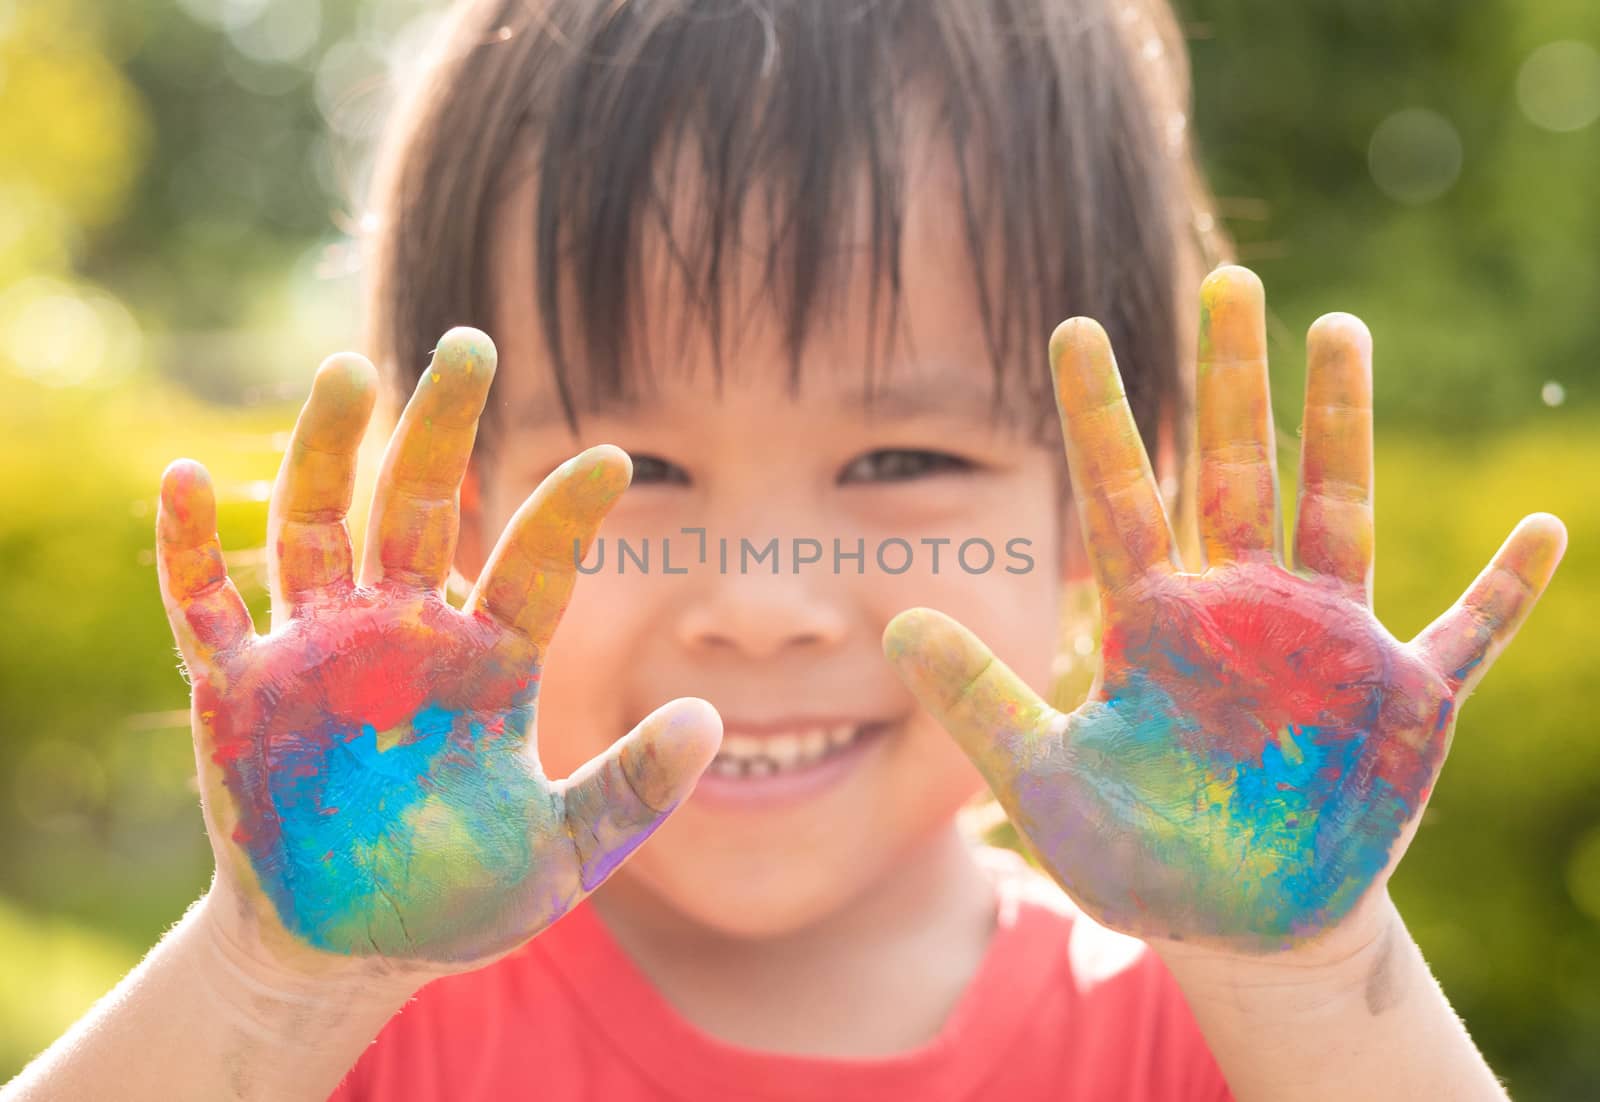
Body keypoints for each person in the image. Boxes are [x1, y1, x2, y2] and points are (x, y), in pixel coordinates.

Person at [3, 1, 1566, 1099]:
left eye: (902, 459)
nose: (760, 607)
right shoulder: (351, 1006)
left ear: (1113, 507)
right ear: (459, 512)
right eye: (641, 468)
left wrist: (1310, 973)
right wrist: (271, 985)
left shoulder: (1227, 1038)